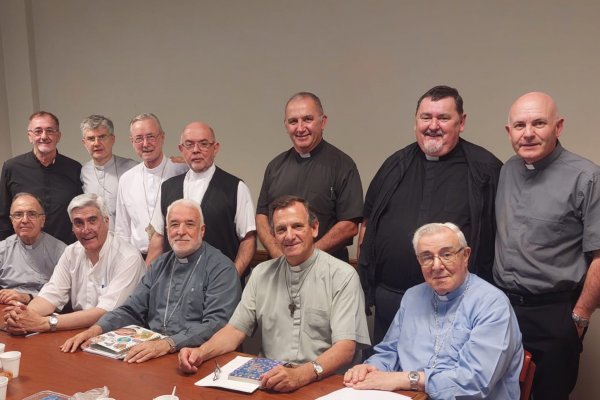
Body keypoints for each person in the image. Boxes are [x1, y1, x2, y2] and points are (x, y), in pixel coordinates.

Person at [179, 195, 370, 393]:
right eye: (281, 229)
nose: (289, 236)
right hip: (269, 382)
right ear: (274, 236)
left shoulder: (342, 276)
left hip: (324, 384)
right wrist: (200, 352)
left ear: (314, 228)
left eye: (297, 226)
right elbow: (235, 331)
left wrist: (301, 375)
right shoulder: (261, 274)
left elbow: (346, 348)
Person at [358, 85, 502, 343]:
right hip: (393, 301)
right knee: (386, 373)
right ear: (416, 121)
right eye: (426, 117)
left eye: (443, 118)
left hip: (456, 307)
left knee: (439, 376)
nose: (432, 125)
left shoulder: (486, 170)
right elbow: (367, 224)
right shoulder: (394, 165)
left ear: (462, 122)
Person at [493, 92, 600, 399]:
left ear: (559, 126)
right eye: (520, 125)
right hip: (503, 311)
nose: (528, 133)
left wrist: (579, 317)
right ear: (509, 131)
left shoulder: (587, 178)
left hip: (555, 314)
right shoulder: (507, 171)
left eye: (539, 123)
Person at [345, 223, 523, 399]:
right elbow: (390, 351)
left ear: (466, 255)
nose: (437, 266)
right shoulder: (412, 296)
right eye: (427, 257)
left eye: (446, 254)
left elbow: (475, 382)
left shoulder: (492, 304)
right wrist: (370, 368)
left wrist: (405, 379)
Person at [60, 199, 241, 363]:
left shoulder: (222, 268)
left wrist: (167, 344)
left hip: (196, 357)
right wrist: (96, 329)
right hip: (151, 351)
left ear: (202, 230)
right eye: (174, 224)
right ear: (167, 231)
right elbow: (132, 308)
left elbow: (216, 324)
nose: (181, 231)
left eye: (190, 224)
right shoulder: (160, 264)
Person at [2, 193, 146, 334]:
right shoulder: (71, 252)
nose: (86, 229)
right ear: (72, 227)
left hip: (118, 335)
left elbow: (105, 312)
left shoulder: (128, 258)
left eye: (92, 220)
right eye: (78, 223)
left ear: (106, 221)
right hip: (76, 331)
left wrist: (44, 323)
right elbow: (51, 295)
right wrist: (22, 316)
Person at [256, 92, 363, 262]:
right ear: (286, 125)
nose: (300, 128)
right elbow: (262, 216)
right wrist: (278, 253)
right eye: (293, 121)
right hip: (279, 267)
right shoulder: (275, 166)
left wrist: (307, 255)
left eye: (307, 119)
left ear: (323, 122)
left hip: (325, 269)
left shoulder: (343, 165)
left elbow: (349, 225)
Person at [147, 121, 256, 277]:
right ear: (181, 149)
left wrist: (230, 279)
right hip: (174, 283)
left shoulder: (236, 187)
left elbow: (248, 239)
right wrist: (147, 281)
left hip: (218, 286)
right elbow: (158, 238)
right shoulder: (168, 188)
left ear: (215, 148)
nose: (196, 150)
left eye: (203, 144)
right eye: (189, 145)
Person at [115, 113, 188, 263]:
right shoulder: (127, 179)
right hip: (138, 259)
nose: (145, 143)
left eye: (151, 137)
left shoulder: (181, 171)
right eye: (139, 139)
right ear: (132, 142)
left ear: (162, 137)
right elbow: (122, 231)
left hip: (175, 258)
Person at [0, 111, 82, 244]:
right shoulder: (12, 168)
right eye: (38, 131)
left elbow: (79, 213)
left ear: (58, 136)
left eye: (50, 131)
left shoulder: (74, 168)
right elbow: (3, 216)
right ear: (30, 136)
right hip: (24, 252)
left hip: (66, 251)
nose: (44, 136)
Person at [0, 193, 66, 304]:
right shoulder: (2, 249)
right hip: (6, 306)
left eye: (32, 214)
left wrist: (28, 297)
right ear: (12, 221)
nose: (25, 220)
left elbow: (64, 294)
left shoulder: (61, 251)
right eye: (18, 214)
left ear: (43, 220)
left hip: (44, 309)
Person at [80, 115, 137, 231]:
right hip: (97, 242)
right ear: (84, 142)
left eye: (102, 137)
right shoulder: (83, 172)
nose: (96, 143)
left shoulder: (132, 168)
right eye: (91, 138)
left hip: (128, 242)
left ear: (112, 139)